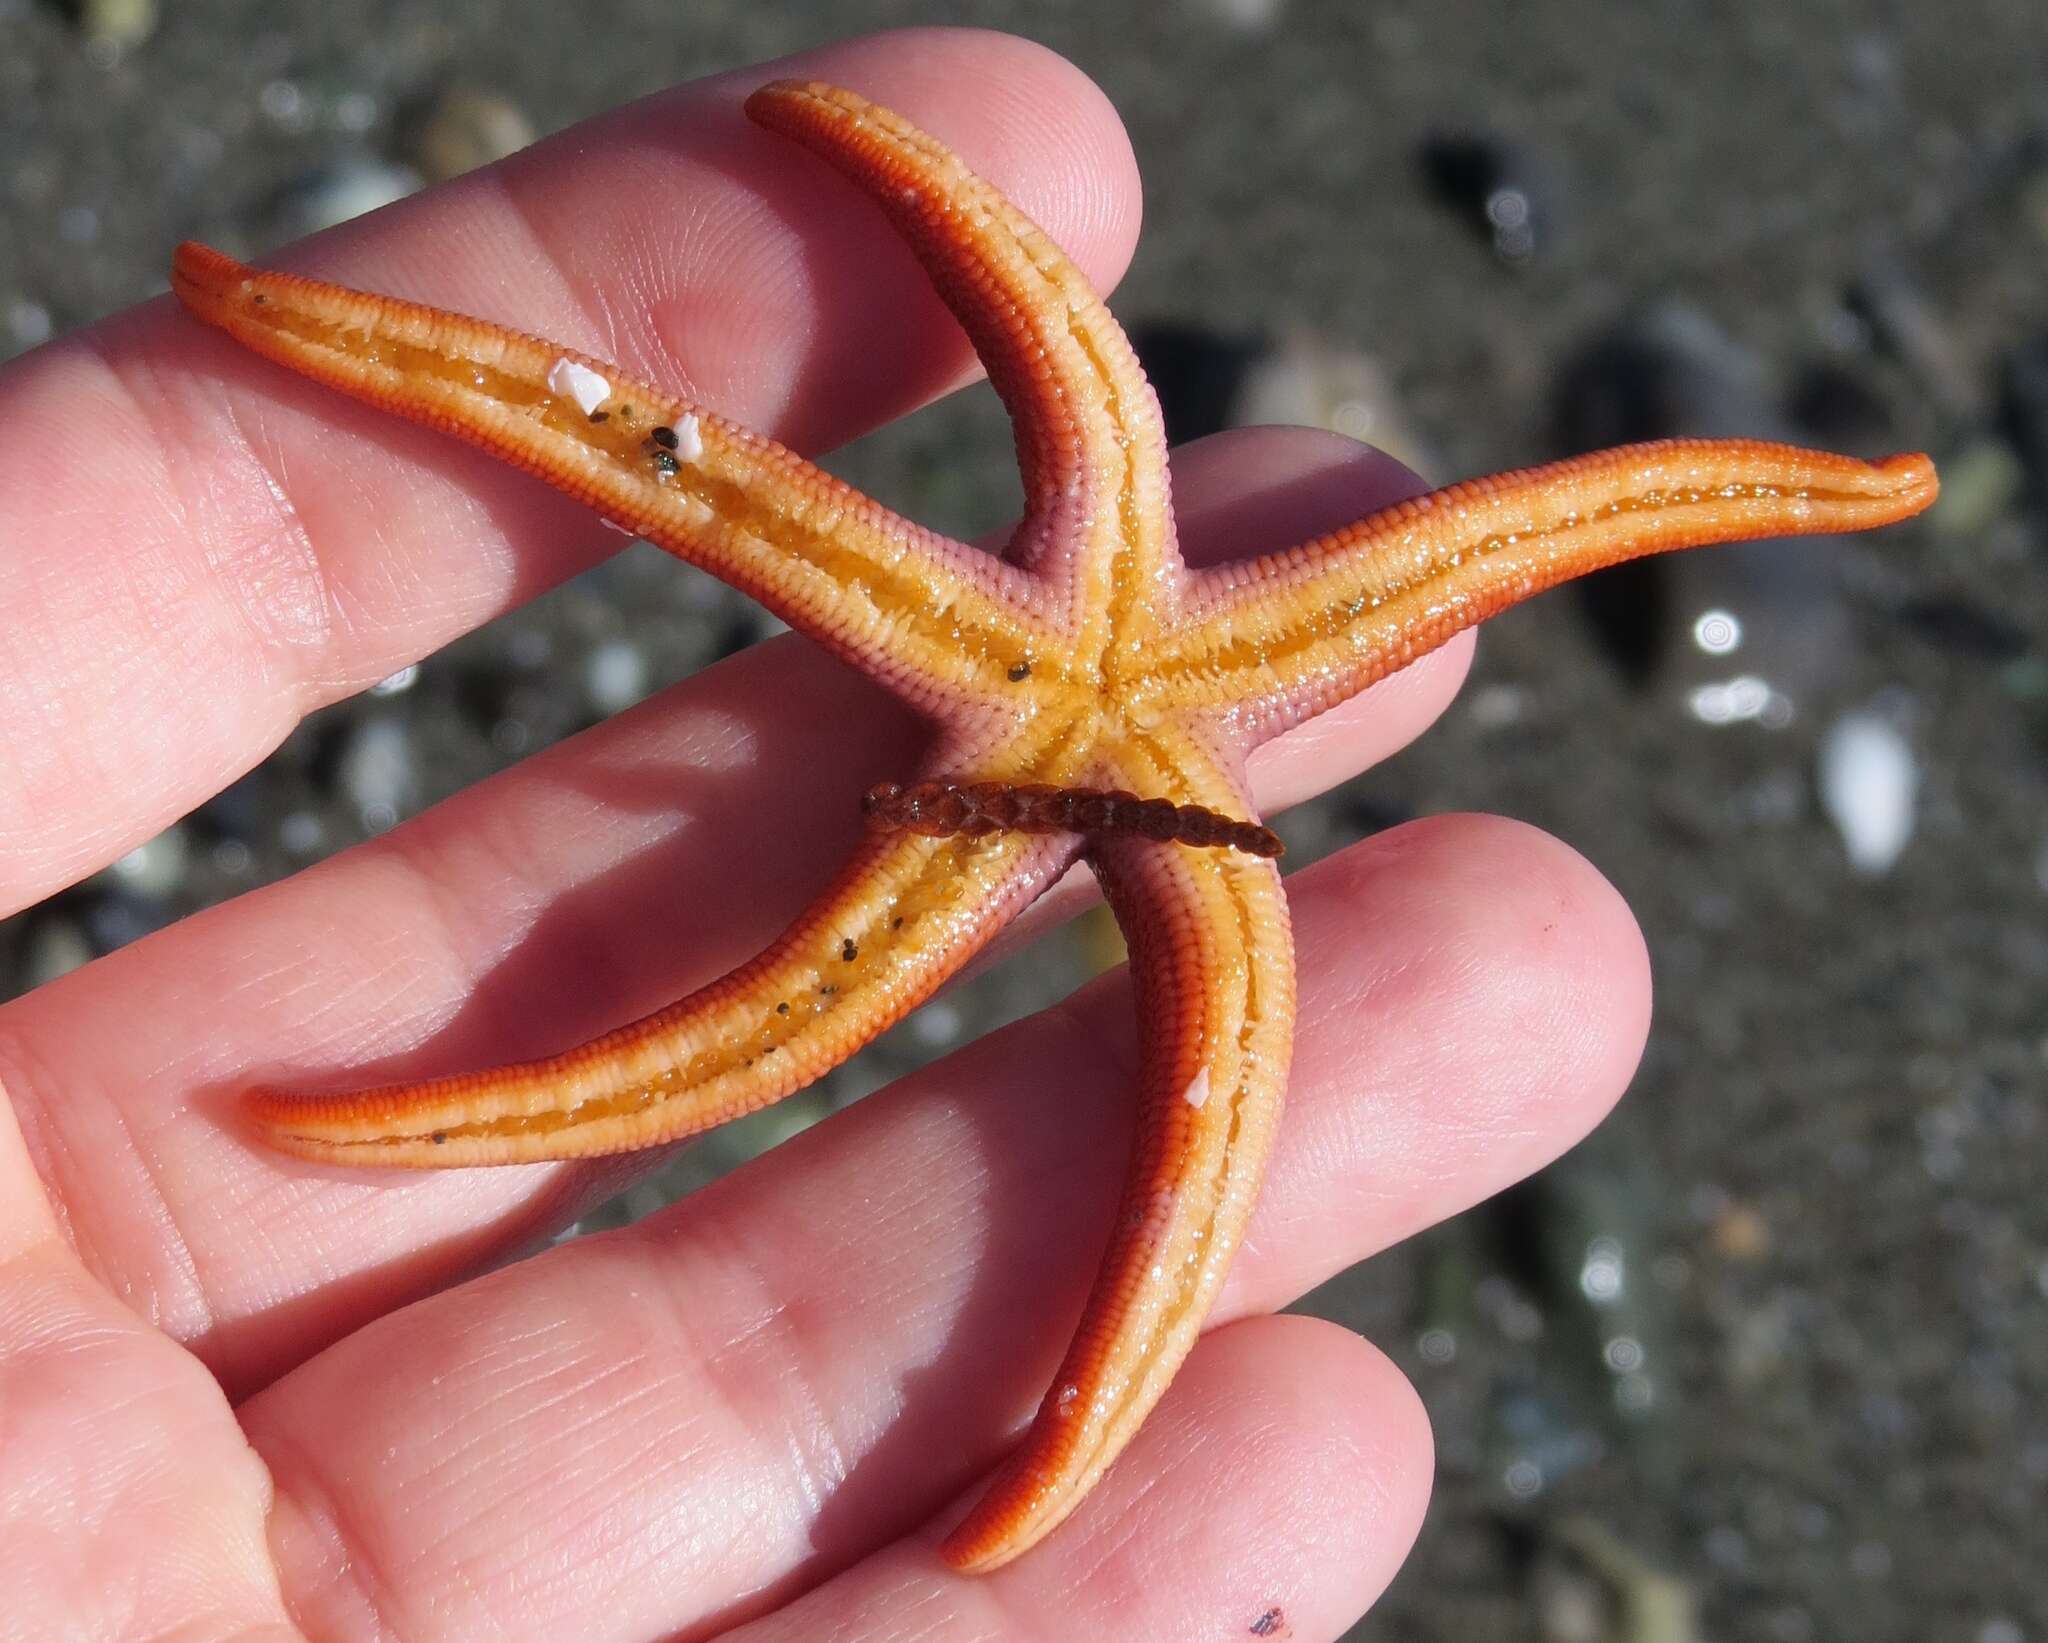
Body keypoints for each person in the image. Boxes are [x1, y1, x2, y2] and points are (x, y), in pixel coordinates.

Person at [0, 29, 1649, 1639]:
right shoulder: (1180, 644)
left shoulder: (1182, 729)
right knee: (693, 563)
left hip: (1060, 754)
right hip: (1048, 736)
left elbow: (1540, 520)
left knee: (787, 994)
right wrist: (882, 158)